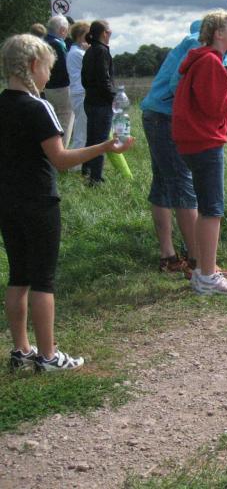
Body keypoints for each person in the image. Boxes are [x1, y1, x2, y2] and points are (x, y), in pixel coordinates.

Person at [0, 34, 133, 372]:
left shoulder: (2, 103)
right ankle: (48, 356)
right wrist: (104, 147)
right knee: (43, 279)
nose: (49, 75)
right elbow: (60, 159)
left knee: (18, 275)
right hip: (39, 201)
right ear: (33, 66)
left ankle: (21, 351)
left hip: (8, 200)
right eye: (48, 68)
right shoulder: (39, 106)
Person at [141, 0, 227, 275]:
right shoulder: (202, 47)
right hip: (166, 117)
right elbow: (182, 85)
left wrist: (223, 93)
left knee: (165, 184)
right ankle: (199, 262)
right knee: (184, 187)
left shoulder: (212, 47)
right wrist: (217, 99)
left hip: (159, 114)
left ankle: (170, 257)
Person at [172, 10, 227, 295]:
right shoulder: (210, 62)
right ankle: (208, 277)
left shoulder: (204, 60)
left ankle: (201, 271)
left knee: (207, 208)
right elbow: (215, 107)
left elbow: (210, 101)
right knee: (212, 210)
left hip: (194, 141)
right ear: (218, 34)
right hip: (204, 142)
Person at [80, 19, 116, 185]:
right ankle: (95, 178)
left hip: (90, 100)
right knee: (101, 141)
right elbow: (104, 80)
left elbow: (84, 79)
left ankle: (86, 170)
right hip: (101, 103)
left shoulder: (89, 51)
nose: (110, 34)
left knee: (91, 138)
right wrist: (113, 98)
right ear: (104, 33)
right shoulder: (102, 51)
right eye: (109, 31)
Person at [43, 15, 74, 148]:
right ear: (62, 30)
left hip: (47, 86)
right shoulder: (58, 44)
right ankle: (61, 151)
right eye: (66, 30)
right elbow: (65, 67)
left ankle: (51, 149)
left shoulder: (43, 41)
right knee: (65, 119)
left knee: (52, 119)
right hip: (61, 87)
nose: (67, 34)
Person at [66, 21, 90, 158]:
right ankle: (76, 164)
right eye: (88, 35)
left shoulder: (76, 52)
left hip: (79, 93)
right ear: (81, 36)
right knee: (81, 133)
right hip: (81, 94)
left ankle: (81, 163)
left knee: (83, 130)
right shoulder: (78, 53)